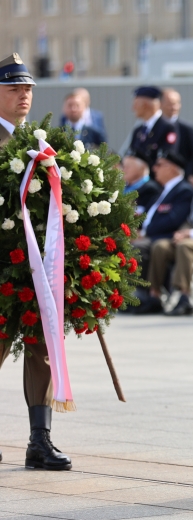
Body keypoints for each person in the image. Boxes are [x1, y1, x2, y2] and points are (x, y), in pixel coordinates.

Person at [0, 52, 72, 470]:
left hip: (39, 265)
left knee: (41, 348)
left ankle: (39, 441)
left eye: (27, 88)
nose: (23, 95)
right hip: (4, 264)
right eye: (14, 88)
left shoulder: (41, 141)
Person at [134, 150, 193, 315]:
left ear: (172, 168)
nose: (154, 168)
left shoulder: (184, 190)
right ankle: (141, 296)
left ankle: (144, 295)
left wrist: (145, 232)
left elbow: (173, 220)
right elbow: (148, 215)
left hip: (169, 236)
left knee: (140, 247)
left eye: (159, 165)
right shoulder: (163, 190)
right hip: (152, 236)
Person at [151, 158, 193, 317]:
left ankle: (184, 297)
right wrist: (182, 232)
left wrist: (192, 233)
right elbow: (191, 219)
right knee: (160, 246)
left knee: (185, 245)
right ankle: (154, 295)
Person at [129, 85, 178, 171]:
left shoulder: (167, 127)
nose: (133, 108)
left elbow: (166, 158)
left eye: (136, 104)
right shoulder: (138, 131)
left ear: (145, 105)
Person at [161, 88, 193, 178]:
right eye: (170, 104)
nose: (173, 107)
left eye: (176, 104)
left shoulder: (187, 129)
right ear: (160, 104)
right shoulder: (154, 129)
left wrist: (188, 175)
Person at [122, 149, 162, 214]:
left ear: (142, 168)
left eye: (128, 167)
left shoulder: (151, 190)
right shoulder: (123, 185)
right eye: (123, 166)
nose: (124, 170)